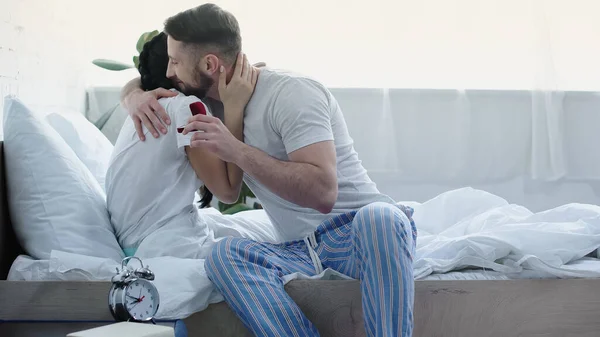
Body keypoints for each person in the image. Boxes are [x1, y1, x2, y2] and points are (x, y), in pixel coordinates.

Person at [120, 4, 417, 336]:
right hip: (297, 250)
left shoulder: (291, 92)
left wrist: (237, 150)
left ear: (209, 64)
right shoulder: (212, 100)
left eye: (175, 61)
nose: (171, 71)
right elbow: (147, 77)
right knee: (223, 255)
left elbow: (323, 193)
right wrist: (132, 95)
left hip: (352, 235)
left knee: (383, 217)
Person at [105, 31, 263, 258]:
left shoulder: (147, 106)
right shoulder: (186, 108)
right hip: (164, 243)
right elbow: (227, 192)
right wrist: (235, 108)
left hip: (135, 240)